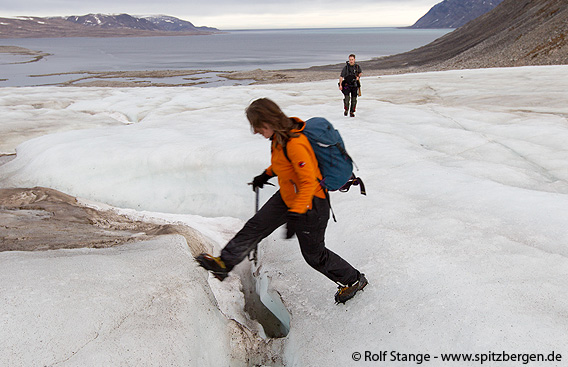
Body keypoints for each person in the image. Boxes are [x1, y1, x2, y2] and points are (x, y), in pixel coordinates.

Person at [196, 98, 367, 305]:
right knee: (254, 227)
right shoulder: (278, 139)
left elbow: (308, 182)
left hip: (311, 204)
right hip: (288, 196)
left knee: (314, 255)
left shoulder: (296, 143)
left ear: (268, 122)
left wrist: (296, 214)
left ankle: (354, 280)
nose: (256, 131)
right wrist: (266, 175)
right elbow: (283, 164)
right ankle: (223, 264)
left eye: (257, 126)